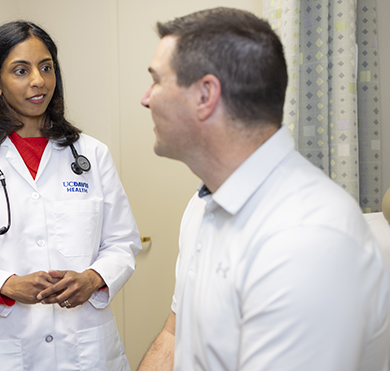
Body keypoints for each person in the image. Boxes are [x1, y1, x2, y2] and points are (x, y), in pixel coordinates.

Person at [138, 7, 390, 371]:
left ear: (205, 95)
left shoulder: (308, 236)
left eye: (157, 80)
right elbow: (176, 337)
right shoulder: (203, 205)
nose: (146, 98)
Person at [0, 20, 141, 371]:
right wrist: (7, 284)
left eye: (46, 67)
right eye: (21, 70)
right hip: (5, 346)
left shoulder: (91, 155)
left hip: (86, 346)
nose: (38, 81)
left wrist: (92, 279)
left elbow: (122, 242)